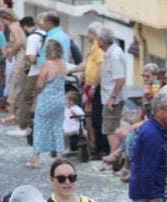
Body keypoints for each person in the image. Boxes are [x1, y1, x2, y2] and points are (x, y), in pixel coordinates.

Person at [102, 63, 159, 166]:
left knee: (125, 134)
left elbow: (152, 113)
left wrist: (145, 97)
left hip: (152, 122)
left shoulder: (156, 88)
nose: (145, 78)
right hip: (145, 121)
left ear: (155, 76)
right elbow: (141, 110)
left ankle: (123, 164)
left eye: (147, 76)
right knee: (117, 131)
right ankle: (113, 160)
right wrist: (133, 125)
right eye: (143, 76)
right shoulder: (147, 87)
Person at [27, 40, 67, 168]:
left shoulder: (47, 65)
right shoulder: (63, 64)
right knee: (57, 127)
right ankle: (59, 156)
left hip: (47, 98)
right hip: (60, 100)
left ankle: (36, 159)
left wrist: (34, 92)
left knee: (39, 126)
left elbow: (39, 83)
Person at [65, 22, 104, 153]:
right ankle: (91, 142)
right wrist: (74, 71)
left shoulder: (98, 48)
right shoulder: (94, 47)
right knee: (87, 116)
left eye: (89, 33)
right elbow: (86, 63)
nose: (87, 35)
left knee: (91, 116)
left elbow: (100, 67)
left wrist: (93, 85)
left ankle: (94, 144)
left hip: (94, 86)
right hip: (88, 85)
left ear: (94, 34)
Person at [7, 15, 45, 138]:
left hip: (35, 71)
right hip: (48, 71)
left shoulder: (32, 38)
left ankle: (22, 127)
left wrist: (28, 61)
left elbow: (32, 58)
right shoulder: (45, 34)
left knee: (26, 98)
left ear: (24, 27)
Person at [97, 26, 126, 156]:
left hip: (112, 99)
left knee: (110, 130)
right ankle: (113, 157)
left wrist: (112, 97)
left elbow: (120, 79)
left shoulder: (114, 55)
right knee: (110, 129)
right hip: (109, 98)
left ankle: (113, 158)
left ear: (102, 41)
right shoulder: (111, 52)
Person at [0, 8, 25, 126]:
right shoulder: (19, 25)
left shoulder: (13, 26)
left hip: (20, 57)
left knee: (15, 83)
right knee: (18, 84)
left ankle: (12, 114)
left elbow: (18, 43)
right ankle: (15, 112)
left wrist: (11, 54)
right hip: (23, 56)